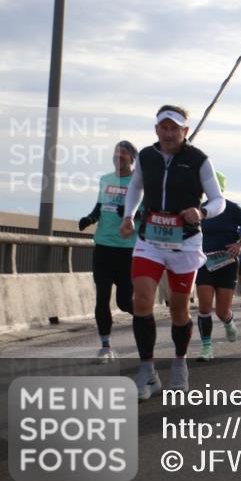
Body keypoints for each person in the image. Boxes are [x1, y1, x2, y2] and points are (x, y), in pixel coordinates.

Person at [120, 105, 225, 399]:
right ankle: (147, 371)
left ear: (185, 131)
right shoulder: (147, 157)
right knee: (141, 299)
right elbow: (135, 188)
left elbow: (219, 200)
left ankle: (179, 364)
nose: (168, 133)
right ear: (156, 129)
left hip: (185, 242)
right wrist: (129, 215)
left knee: (179, 308)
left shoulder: (198, 160)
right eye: (163, 127)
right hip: (150, 239)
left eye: (174, 128)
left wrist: (202, 212)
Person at [78, 140, 140, 362]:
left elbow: (148, 214)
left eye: (123, 153)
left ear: (133, 158)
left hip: (127, 249)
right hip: (103, 246)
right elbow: (100, 207)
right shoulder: (105, 179)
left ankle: (145, 316)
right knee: (102, 298)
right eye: (116, 153)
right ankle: (105, 347)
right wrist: (89, 218)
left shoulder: (139, 182)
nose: (119, 156)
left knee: (124, 302)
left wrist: (133, 214)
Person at [194, 172, 241, 361]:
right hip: (205, 263)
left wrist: (238, 244)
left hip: (227, 263)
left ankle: (228, 322)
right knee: (204, 307)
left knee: (221, 311)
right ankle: (206, 348)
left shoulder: (233, 208)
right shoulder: (199, 209)